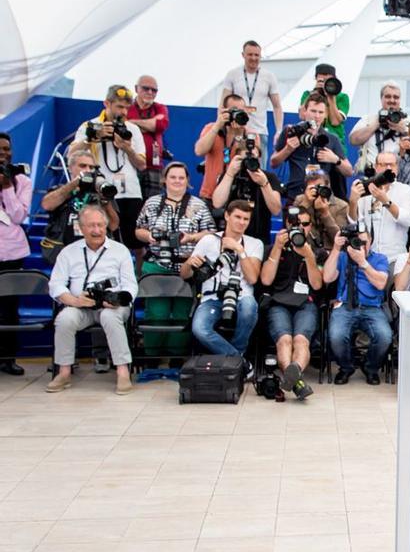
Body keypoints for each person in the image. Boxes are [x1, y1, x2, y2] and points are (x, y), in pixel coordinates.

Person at [46, 204, 137, 394]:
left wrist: (118, 299)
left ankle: (122, 371)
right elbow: (55, 284)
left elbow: (130, 285)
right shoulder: (68, 252)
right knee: (64, 319)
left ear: (105, 227)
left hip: (113, 306)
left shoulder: (119, 251)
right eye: (91, 226)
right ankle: (63, 372)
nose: (96, 230)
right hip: (80, 305)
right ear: (81, 227)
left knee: (109, 317)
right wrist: (73, 300)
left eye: (100, 225)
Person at [135, 162, 216, 357]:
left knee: (182, 314)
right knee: (156, 313)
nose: (177, 181)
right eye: (173, 177)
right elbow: (138, 229)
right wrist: (149, 236)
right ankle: (152, 355)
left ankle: (176, 357)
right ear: (164, 180)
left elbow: (211, 232)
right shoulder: (152, 202)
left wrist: (191, 237)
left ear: (188, 181)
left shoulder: (198, 205)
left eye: (181, 177)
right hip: (157, 265)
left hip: (186, 265)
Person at [181, 200, 262, 365]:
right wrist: (190, 263)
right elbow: (184, 274)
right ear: (227, 216)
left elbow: (253, 278)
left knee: (249, 308)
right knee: (199, 329)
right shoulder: (209, 240)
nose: (241, 222)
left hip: (241, 295)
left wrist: (240, 251)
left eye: (245, 219)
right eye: (237, 217)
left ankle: (237, 354)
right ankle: (240, 361)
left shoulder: (254, 243)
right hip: (212, 296)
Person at [68, 85, 147, 254]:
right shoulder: (90, 126)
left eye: (127, 107)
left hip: (130, 193)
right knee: (104, 235)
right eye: (119, 106)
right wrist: (92, 138)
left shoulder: (132, 129)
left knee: (134, 241)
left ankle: (138, 277)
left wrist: (127, 147)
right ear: (107, 103)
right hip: (101, 190)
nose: (124, 112)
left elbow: (142, 164)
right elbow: (72, 154)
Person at [261, 206, 323, 399]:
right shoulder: (273, 249)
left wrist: (309, 256)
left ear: (310, 226)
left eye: (305, 224)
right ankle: (297, 382)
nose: (300, 228)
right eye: (295, 223)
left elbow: (317, 284)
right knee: (285, 340)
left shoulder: (317, 251)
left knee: (300, 341)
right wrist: (278, 248)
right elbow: (266, 280)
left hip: (306, 303)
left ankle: (292, 373)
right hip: (278, 302)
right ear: (287, 224)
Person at [322, 225, 391, 385]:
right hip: (345, 305)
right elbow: (327, 277)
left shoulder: (380, 258)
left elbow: (381, 284)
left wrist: (363, 262)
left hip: (372, 307)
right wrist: (336, 248)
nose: (360, 245)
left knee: (384, 337)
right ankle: (346, 368)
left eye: (364, 242)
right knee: (336, 336)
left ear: (371, 241)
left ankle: (370, 367)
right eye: (357, 241)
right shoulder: (343, 257)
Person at [269, 93, 353, 201]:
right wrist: (288, 149)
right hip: (295, 198)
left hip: (320, 199)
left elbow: (349, 171)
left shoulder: (332, 139)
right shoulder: (291, 132)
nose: (317, 116)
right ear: (305, 111)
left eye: (321, 112)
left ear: (325, 115)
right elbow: (273, 163)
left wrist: (335, 159)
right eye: (313, 111)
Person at [39, 151, 120, 262]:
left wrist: (106, 202)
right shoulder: (60, 190)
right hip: (64, 251)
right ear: (70, 168)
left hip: (95, 252)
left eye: (91, 167)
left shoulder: (102, 192)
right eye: (82, 166)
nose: (87, 170)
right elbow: (47, 205)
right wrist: (75, 183)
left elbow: (113, 225)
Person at [209, 141, 284, 250]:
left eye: (253, 157)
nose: (250, 161)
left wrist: (264, 184)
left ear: (259, 158)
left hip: (259, 237)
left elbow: (276, 210)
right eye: (246, 158)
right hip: (232, 238)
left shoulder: (269, 177)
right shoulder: (230, 175)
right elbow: (217, 203)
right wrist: (229, 174)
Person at [348, 151, 410, 269]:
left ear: (397, 167)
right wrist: (353, 202)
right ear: (376, 167)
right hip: (369, 258)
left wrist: (386, 201)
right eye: (384, 165)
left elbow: (408, 220)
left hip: (395, 259)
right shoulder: (366, 189)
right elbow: (355, 223)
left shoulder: (405, 190)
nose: (389, 168)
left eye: (392, 165)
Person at [0, 132, 32, 375]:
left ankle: (8, 357)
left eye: (7, 149)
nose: (4, 153)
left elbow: (18, 216)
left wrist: (8, 187)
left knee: (9, 307)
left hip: (12, 251)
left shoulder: (22, 181)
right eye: (0, 149)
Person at [219, 40, 284, 148]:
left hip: (260, 131)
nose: (253, 58)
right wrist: (221, 126)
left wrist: (279, 131)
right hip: (236, 130)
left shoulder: (269, 76)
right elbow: (223, 104)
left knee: (259, 165)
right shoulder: (232, 74)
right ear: (243, 55)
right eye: (250, 54)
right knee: (235, 163)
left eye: (256, 55)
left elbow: (277, 106)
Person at [195, 93, 253, 201]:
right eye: (234, 110)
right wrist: (217, 125)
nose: (237, 114)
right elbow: (199, 151)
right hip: (209, 195)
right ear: (224, 110)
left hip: (236, 198)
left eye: (241, 111)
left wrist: (239, 135)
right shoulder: (211, 128)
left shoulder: (249, 134)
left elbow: (248, 161)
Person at [126, 75, 169, 198]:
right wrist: (149, 124)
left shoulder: (160, 108)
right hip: (130, 165)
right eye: (146, 88)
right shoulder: (127, 107)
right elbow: (124, 125)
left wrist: (134, 123)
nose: (150, 92)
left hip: (153, 167)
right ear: (136, 89)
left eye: (154, 90)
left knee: (152, 207)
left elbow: (160, 125)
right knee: (131, 205)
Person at [349, 82, 407, 172]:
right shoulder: (368, 119)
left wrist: (404, 130)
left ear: (400, 100)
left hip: (399, 175)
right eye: (388, 96)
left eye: (396, 97)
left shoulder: (408, 121)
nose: (392, 100)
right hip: (372, 174)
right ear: (381, 99)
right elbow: (353, 140)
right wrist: (377, 123)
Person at [298, 63, 350, 146]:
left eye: (328, 81)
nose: (325, 84)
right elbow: (302, 116)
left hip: (334, 143)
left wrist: (331, 97)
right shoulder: (307, 94)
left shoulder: (342, 97)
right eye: (322, 80)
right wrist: (314, 93)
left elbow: (335, 122)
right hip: (311, 140)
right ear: (316, 79)